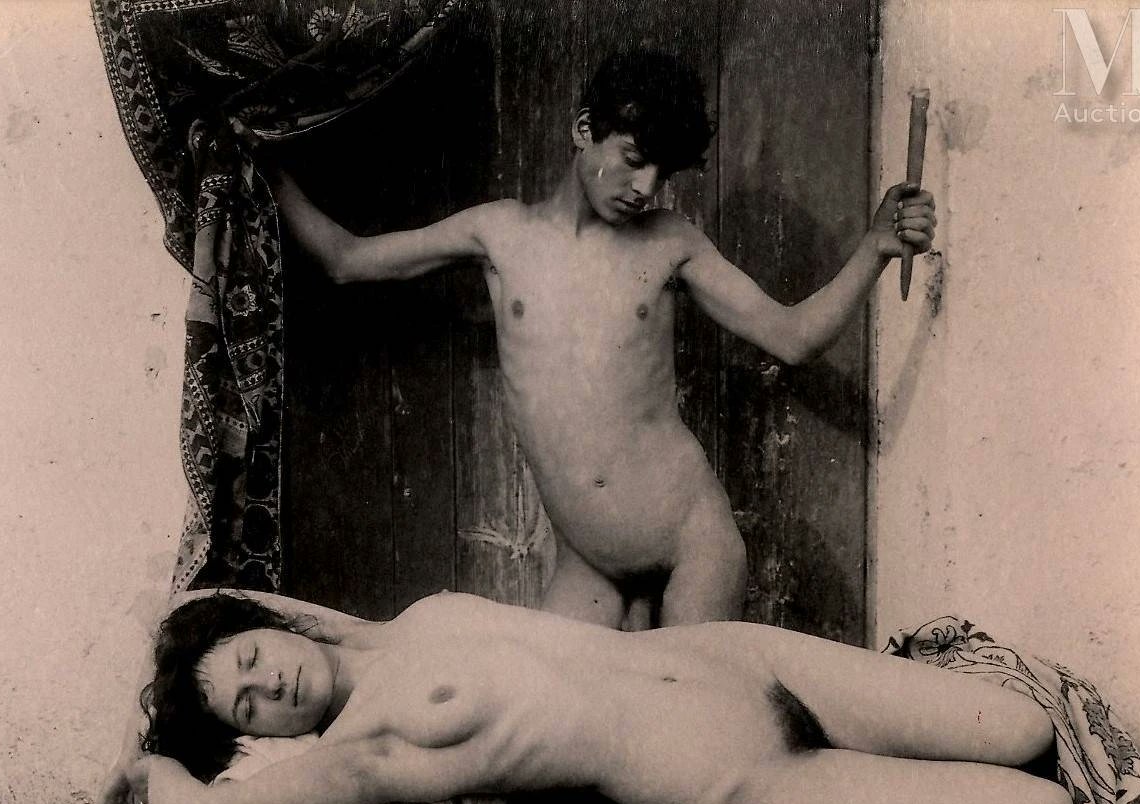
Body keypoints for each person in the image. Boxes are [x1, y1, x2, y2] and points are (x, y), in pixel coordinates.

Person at [267, 49, 937, 629]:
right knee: (551, 721)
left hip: (690, 545)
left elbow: (793, 337)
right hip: (587, 564)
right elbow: (346, 259)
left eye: (662, 174)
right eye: (634, 160)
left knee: (688, 718)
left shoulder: (670, 242)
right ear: (583, 130)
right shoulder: (498, 234)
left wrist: (874, 248)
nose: (645, 188)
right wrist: (263, 161)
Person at [117, 589, 1074, 804]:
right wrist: (142, 762)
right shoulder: (364, 749)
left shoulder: (399, 627)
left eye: (252, 656)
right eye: (248, 706)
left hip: (739, 658)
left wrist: (184, 653)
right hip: (723, 780)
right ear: (260, 736)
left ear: (270, 625)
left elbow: (212, 605)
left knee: (1026, 728)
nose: (270, 683)